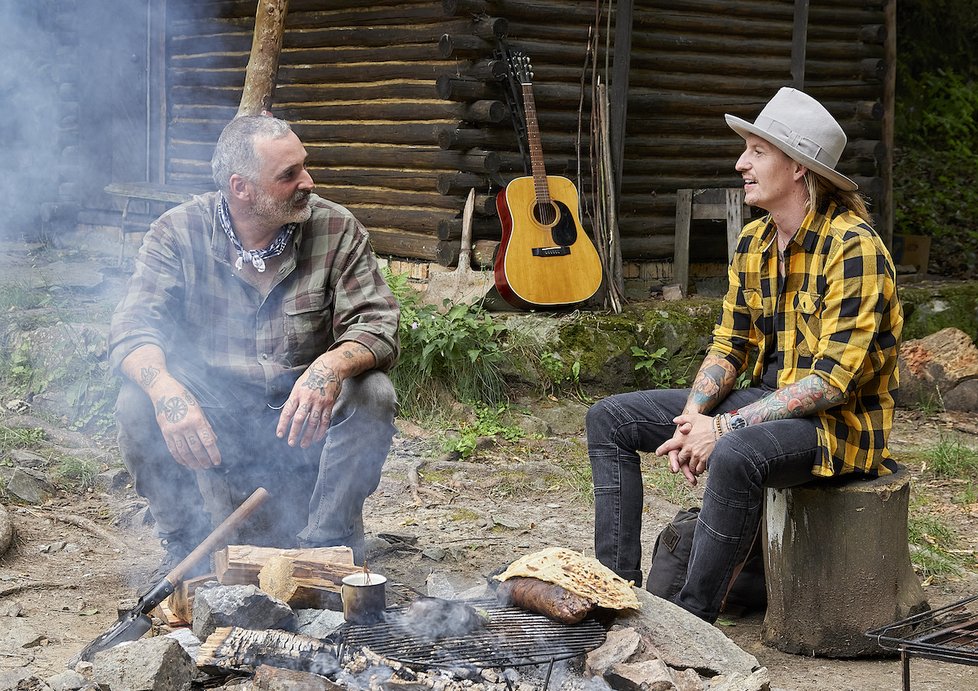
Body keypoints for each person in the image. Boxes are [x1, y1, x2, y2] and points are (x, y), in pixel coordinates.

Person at [586, 87, 903, 623]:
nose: (741, 163)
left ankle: (691, 625)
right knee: (609, 419)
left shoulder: (855, 247)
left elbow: (831, 383)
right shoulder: (754, 242)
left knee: (736, 454)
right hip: (763, 403)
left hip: (837, 428)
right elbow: (729, 345)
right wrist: (694, 415)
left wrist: (724, 428)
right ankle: (611, 596)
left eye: (757, 151)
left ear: (799, 168)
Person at [109, 115, 400, 577]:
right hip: (216, 421)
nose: (308, 181)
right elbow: (133, 328)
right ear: (240, 187)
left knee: (373, 391)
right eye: (288, 175)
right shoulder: (177, 232)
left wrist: (328, 367)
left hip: (303, 422)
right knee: (137, 401)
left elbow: (377, 322)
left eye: (304, 166)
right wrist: (165, 390)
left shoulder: (335, 228)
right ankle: (188, 545)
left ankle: (324, 547)